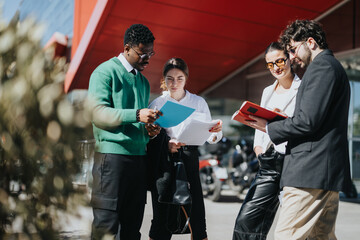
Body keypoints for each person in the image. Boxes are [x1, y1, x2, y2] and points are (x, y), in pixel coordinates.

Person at [248, 19, 352, 239]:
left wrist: (269, 126)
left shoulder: (322, 67)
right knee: (320, 237)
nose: (292, 57)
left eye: (294, 49)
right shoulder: (330, 67)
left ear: (311, 42)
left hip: (310, 173)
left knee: (286, 235)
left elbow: (307, 120)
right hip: (322, 173)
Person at [87, 24, 161, 240]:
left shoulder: (143, 81)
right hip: (111, 160)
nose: (147, 58)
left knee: (132, 228)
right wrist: (137, 115)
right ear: (127, 48)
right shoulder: (104, 72)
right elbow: (98, 113)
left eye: (151, 53)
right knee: (106, 227)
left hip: (139, 160)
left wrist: (149, 130)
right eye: (142, 53)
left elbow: (137, 121)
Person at [148, 57, 223, 240]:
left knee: (196, 212)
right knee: (162, 212)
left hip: (189, 158)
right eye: (170, 78)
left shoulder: (198, 102)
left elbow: (212, 136)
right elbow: (148, 136)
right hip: (165, 161)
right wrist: (165, 143)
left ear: (186, 79)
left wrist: (215, 132)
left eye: (179, 78)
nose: (174, 83)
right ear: (164, 79)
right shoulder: (157, 104)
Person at [232, 42, 301, 240]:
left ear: (289, 58)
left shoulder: (303, 88)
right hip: (269, 162)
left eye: (279, 61)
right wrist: (258, 147)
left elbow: (305, 124)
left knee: (294, 228)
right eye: (270, 65)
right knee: (246, 221)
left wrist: (282, 119)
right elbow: (259, 124)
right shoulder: (267, 91)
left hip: (292, 161)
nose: (276, 68)